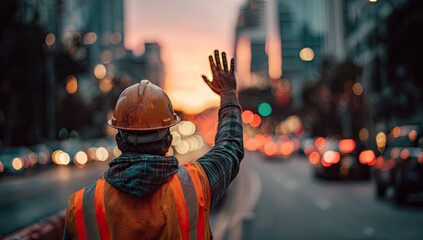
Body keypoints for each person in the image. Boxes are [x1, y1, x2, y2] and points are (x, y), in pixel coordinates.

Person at [63, 50, 244, 239]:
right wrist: (228, 94)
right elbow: (230, 147)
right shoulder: (194, 186)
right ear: (169, 140)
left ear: (118, 140)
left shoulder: (82, 207)